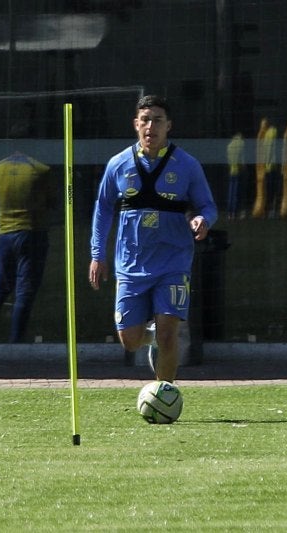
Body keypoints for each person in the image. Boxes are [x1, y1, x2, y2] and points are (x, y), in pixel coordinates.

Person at [89, 95, 217, 383]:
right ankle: (151, 340)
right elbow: (103, 209)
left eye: (157, 120)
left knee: (169, 334)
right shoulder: (118, 164)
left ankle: (165, 394)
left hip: (173, 261)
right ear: (136, 125)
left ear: (168, 125)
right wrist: (98, 255)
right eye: (145, 120)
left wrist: (203, 220)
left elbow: (208, 206)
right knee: (129, 340)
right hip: (131, 263)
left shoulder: (187, 165)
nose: (151, 126)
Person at [0, 136, 55, 343]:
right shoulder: (40, 169)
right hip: (31, 232)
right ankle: (16, 342)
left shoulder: (0, 167)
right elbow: (53, 200)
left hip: (5, 233)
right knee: (24, 291)